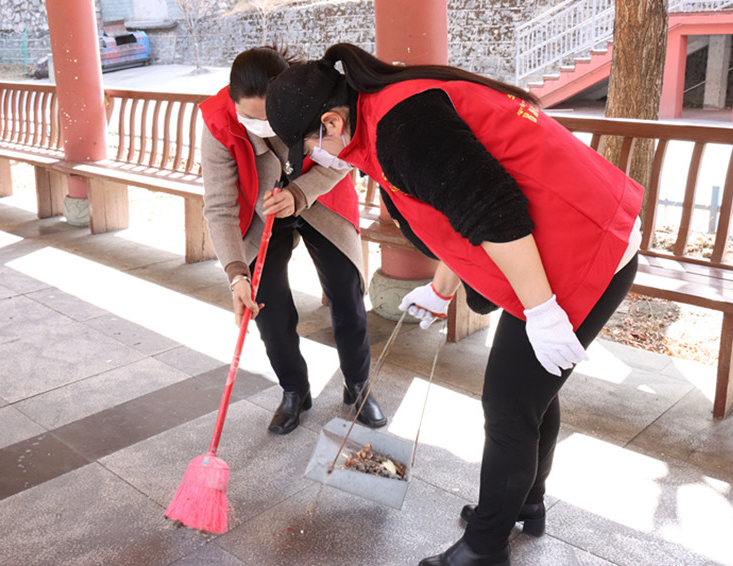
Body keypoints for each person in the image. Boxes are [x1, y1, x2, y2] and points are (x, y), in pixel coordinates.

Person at [265, 43, 642, 566]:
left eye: (310, 146)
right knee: (528, 392)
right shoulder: (383, 111)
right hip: (558, 239)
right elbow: (458, 214)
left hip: (586, 243)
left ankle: (485, 547)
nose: (316, 157)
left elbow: (494, 213)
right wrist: (442, 289)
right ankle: (524, 503)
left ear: (331, 122)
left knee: (508, 405)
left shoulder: (400, 127)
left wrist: (541, 311)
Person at [200, 46, 387, 436]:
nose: (260, 125)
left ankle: (357, 384)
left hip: (320, 198)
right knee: (266, 304)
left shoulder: (310, 95)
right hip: (261, 212)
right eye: (249, 118)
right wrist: (236, 274)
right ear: (232, 100)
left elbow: (344, 155)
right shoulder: (218, 120)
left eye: (268, 117)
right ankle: (294, 389)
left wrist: (300, 193)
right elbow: (218, 205)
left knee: (346, 293)